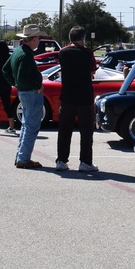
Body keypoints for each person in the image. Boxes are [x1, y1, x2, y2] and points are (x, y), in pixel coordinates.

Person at [55, 25, 99, 172]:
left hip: (67, 95)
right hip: (84, 96)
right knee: (86, 131)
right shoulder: (87, 53)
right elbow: (93, 70)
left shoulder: (63, 52)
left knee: (64, 130)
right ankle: (85, 162)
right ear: (83, 38)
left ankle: (61, 160)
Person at [3, 24, 45, 169]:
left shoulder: (18, 51)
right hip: (31, 93)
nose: (39, 41)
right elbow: (22, 77)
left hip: (24, 93)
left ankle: (21, 156)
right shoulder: (26, 55)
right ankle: (23, 158)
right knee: (31, 126)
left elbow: (5, 70)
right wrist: (36, 86)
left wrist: (15, 84)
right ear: (33, 39)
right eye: (38, 38)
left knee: (27, 125)